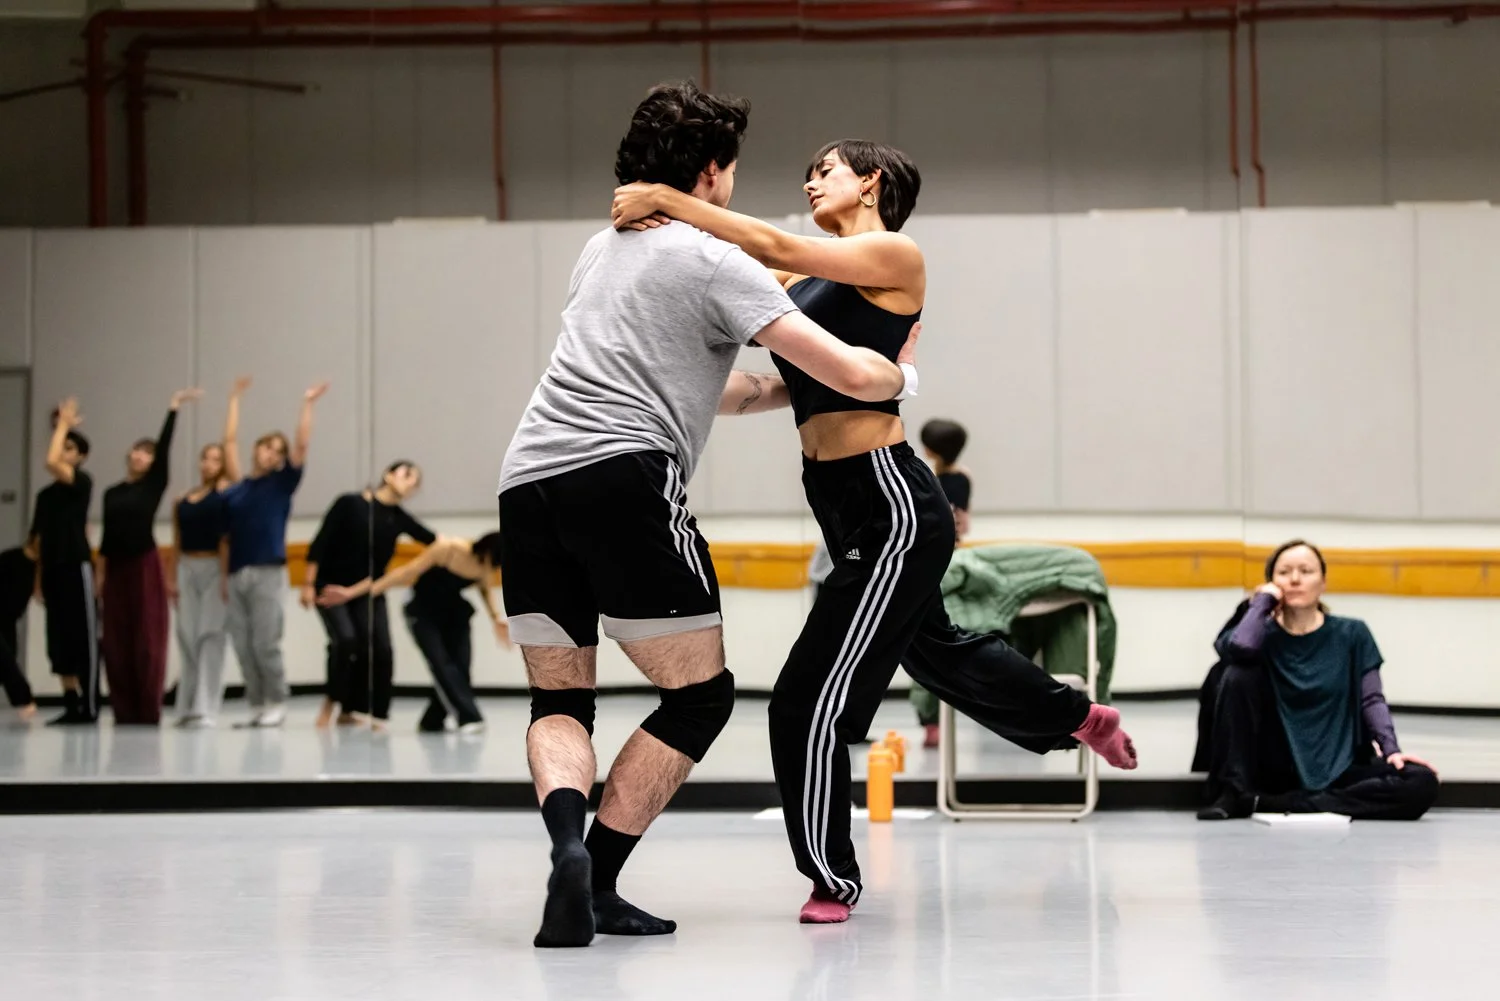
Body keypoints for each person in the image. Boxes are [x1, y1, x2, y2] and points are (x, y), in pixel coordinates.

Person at [613, 136, 1137, 924]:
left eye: (824, 169)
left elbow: (772, 243)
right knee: (939, 650)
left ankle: (833, 878)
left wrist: (663, 195)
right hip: (838, 498)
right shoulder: (806, 286)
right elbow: (761, 364)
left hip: (893, 502)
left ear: (871, 181)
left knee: (803, 700)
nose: (808, 180)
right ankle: (1077, 714)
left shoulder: (896, 254)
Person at [499, 81, 918, 949]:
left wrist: (769, 394)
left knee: (557, 696)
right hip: (624, 479)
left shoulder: (599, 247)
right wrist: (897, 377)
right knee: (698, 697)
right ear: (712, 173)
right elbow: (835, 364)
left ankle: (569, 849)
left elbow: (704, 383)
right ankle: (604, 873)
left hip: (528, 478)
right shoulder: (714, 257)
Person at [1197, 539, 1439, 821]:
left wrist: (1391, 751)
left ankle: (1282, 804)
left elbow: (1371, 698)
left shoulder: (1353, 633)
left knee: (1421, 782)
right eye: (1284, 572)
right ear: (1271, 583)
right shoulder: (1260, 636)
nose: (1295, 579)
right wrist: (1262, 603)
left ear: (1323, 582)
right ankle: (1241, 792)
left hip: (1339, 765)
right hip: (1277, 764)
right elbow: (1240, 649)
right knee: (1237, 672)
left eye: (1306, 571)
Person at [318, 532, 509, 735]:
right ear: (487, 549)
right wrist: (369, 592)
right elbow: (409, 571)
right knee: (441, 663)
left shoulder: (487, 565)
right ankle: (469, 717)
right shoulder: (450, 549)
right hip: (422, 611)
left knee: (462, 667)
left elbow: (485, 588)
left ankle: (432, 720)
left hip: (455, 614)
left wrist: (496, 617)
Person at [221, 376, 329, 728]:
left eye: (277, 451)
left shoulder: (282, 484)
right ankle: (256, 702)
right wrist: (235, 400)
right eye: (266, 447)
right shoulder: (239, 486)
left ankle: (276, 700)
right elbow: (229, 442)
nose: (271, 454)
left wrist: (308, 403)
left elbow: (302, 444)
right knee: (242, 643)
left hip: (269, 571)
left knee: (266, 642)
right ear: (257, 449)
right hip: (238, 571)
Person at [303, 461, 435, 731]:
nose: (411, 482)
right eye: (407, 474)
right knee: (346, 641)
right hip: (330, 587)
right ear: (387, 475)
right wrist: (308, 584)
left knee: (381, 649)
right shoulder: (349, 503)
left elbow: (435, 541)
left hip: (365, 591)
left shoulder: (398, 518)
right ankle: (332, 702)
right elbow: (321, 542)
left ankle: (372, 713)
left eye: (415, 481)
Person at [98, 389, 202, 725]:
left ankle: (147, 709)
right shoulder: (111, 492)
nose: (142, 457)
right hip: (115, 568)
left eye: (148, 454)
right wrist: (101, 575)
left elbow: (165, 447)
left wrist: (172, 409)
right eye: (138, 451)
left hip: (143, 564)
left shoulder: (152, 485)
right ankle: (123, 709)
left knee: (146, 639)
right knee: (115, 640)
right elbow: (106, 537)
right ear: (129, 454)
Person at [31, 398, 99, 725]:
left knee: (82, 636)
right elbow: (38, 540)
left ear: (81, 457)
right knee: (57, 639)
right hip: (54, 569)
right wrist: (38, 579)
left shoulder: (82, 483)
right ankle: (70, 703)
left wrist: (63, 426)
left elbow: (50, 460)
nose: (63, 452)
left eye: (70, 449)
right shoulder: (45, 496)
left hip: (77, 566)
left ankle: (90, 704)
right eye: (64, 446)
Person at [911, 418, 972, 747]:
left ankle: (931, 719)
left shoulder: (931, 480)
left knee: (930, 641)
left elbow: (955, 521)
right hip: (949, 560)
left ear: (930, 450)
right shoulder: (961, 477)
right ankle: (933, 718)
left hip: (937, 565)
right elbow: (963, 522)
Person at [169, 442, 231, 727]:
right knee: (187, 635)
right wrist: (172, 577)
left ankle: (206, 706)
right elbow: (176, 540)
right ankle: (186, 705)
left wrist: (224, 577)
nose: (208, 464)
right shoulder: (183, 499)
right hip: (186, 566)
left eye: (215, 460)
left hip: (213, 567)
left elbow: (224, 540)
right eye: (205, 458)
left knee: (210, 635)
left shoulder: (223, 498)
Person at [1, 540, 40, 721]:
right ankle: (24, 699)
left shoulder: (39, 567)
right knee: (6, 662)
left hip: (7, 619)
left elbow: (40, 595)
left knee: (8, 661)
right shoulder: (10, 559)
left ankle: (23, 699)